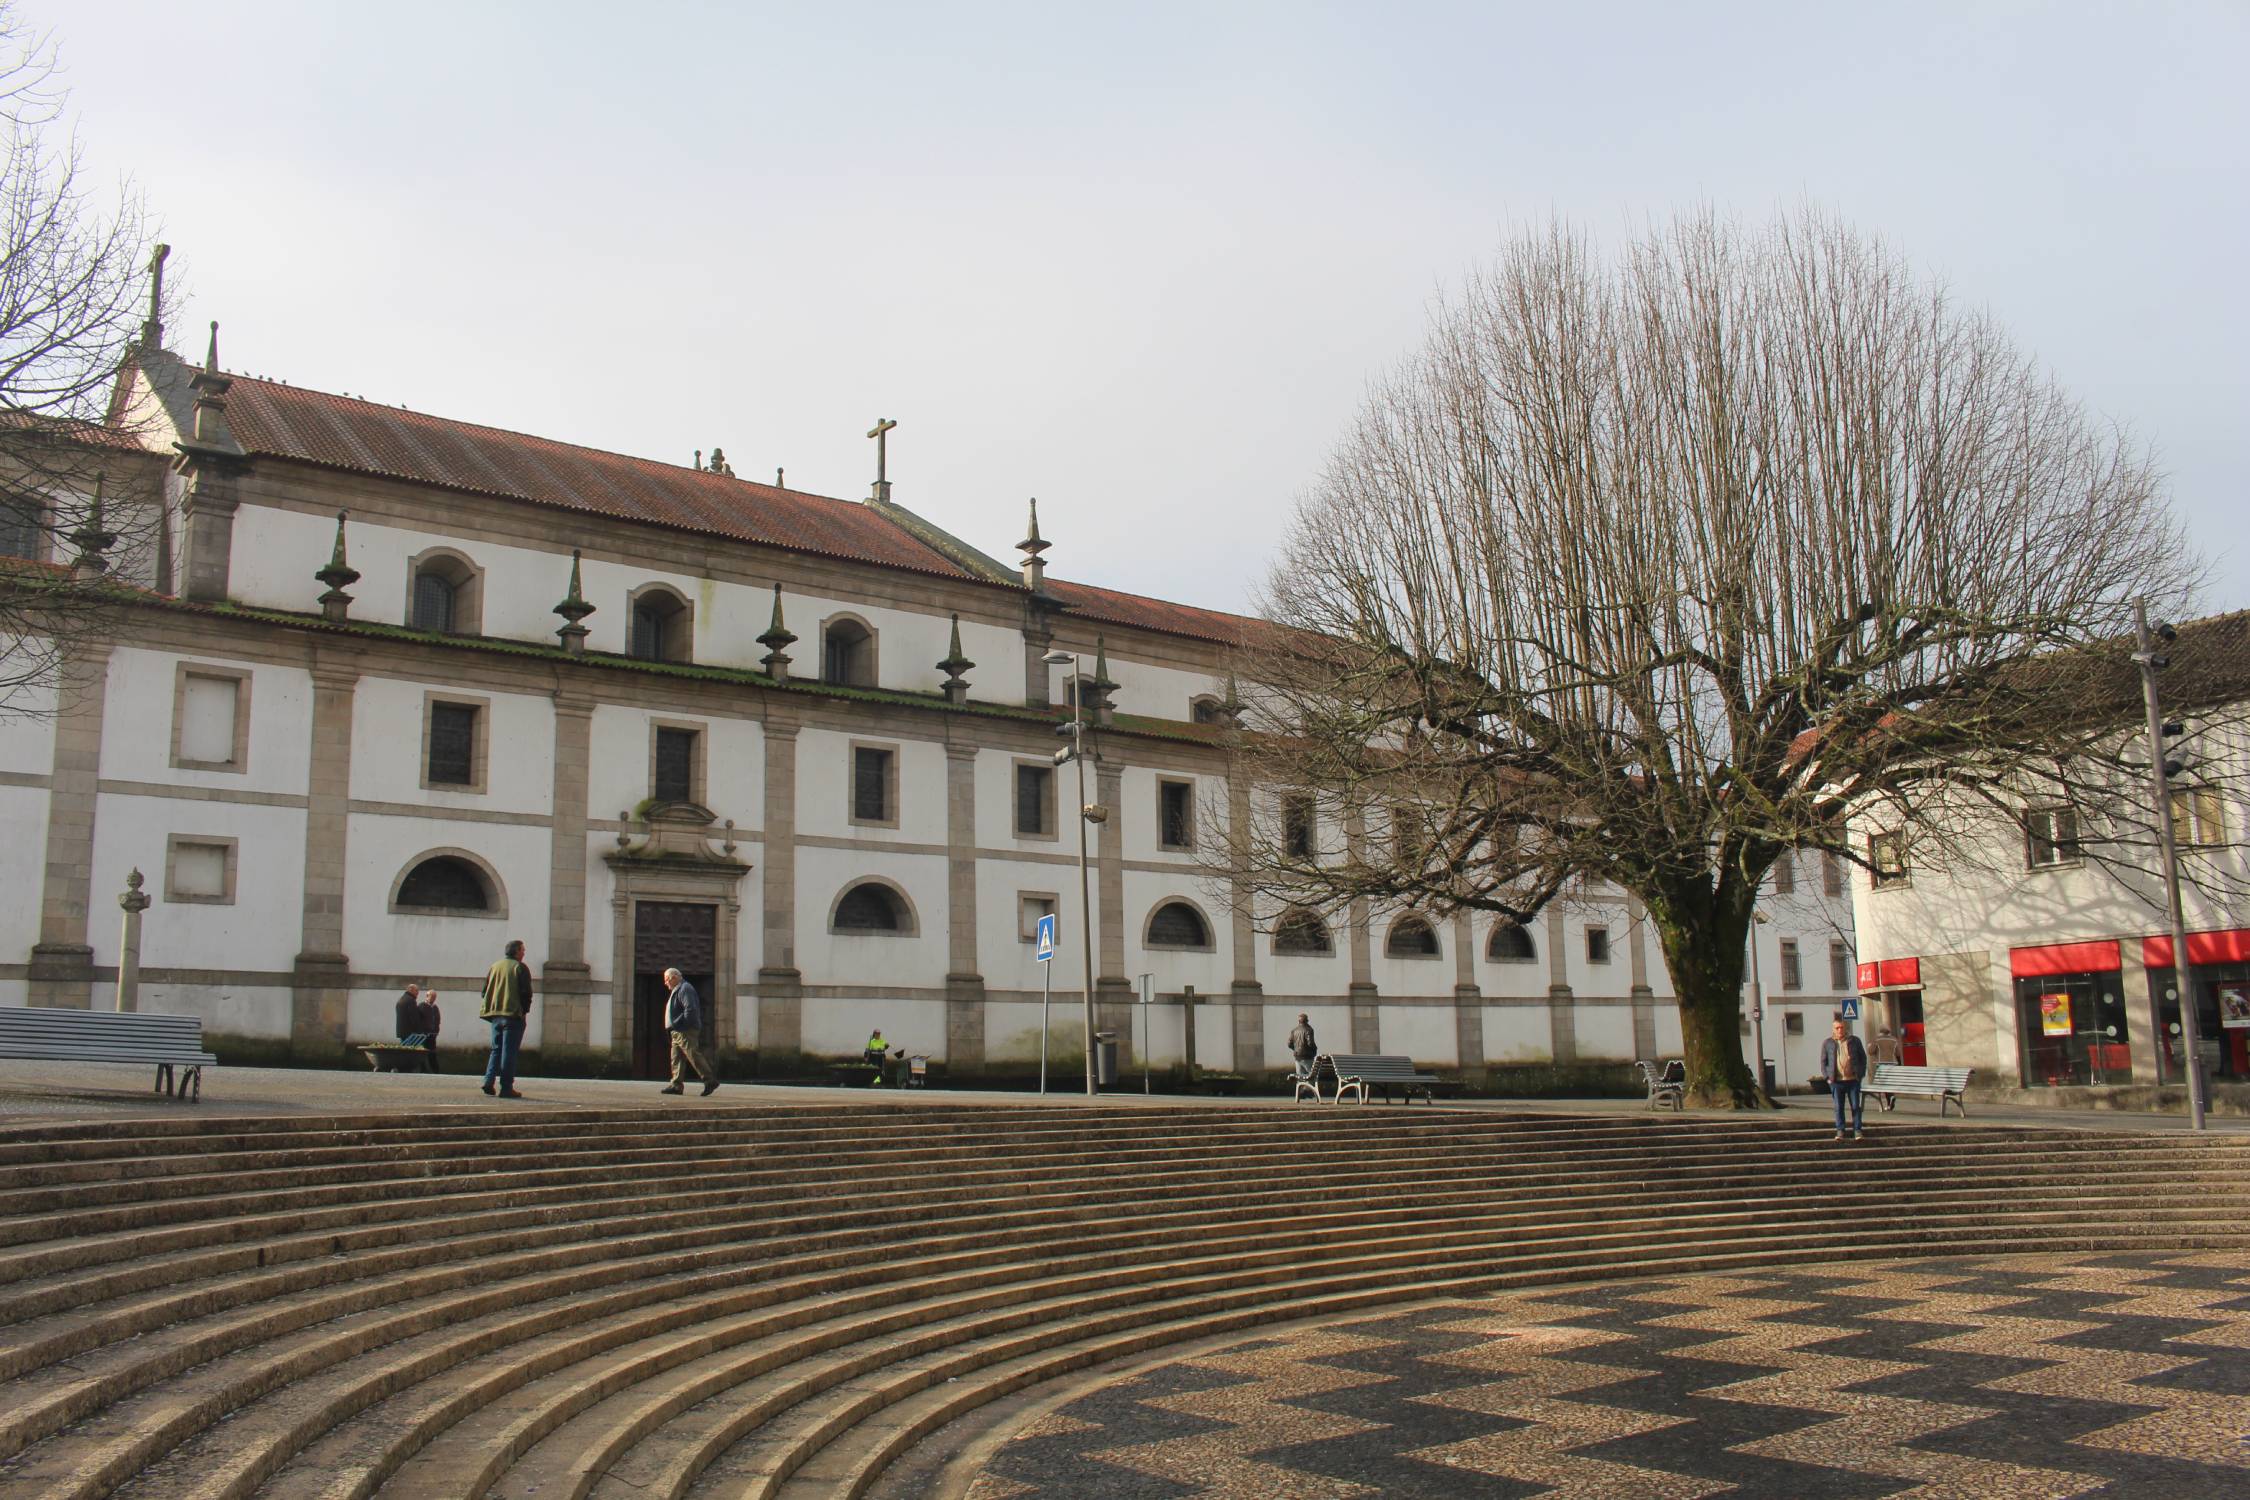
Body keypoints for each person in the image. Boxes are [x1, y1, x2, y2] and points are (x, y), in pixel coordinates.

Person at [479, 939, 534, 1099]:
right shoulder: (520, 967)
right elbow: (526, 993)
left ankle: (488, 1080)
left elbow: (484, 991)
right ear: (516, 951)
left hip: (496, 1014)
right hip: (513, 1015)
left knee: (496, 1049)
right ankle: (506, 1087)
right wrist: (524, 1011)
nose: (524, 953)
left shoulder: (495, 967)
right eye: (523, 950)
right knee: (509, 1052)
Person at [658, 967, 719, 1097]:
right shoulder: (678, 989)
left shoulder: (685, 988)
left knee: (692, 1054)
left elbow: (690, 1009)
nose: (665, 983)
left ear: (674, 977)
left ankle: (709, 1080)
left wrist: (679, 1024)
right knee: (676, 1057)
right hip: (677, 1031)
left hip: (684, 1029)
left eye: (666, 980)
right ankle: (676, 1084)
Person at [1822, 1017, 1868, 1141]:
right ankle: (1840, 1130)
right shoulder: (1828, 1043)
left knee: (1855, 1106)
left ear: (1845, 1028)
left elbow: (1863, 1058)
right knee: (1838, 1107)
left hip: (1853, 1080)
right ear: (1833, 1029)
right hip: (1836, 1081)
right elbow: (1823, 1062)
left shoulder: (1854, 1041)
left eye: (1842, 1027)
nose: (1840, 1030)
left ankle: (1857, 1130)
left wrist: (1861, 1074)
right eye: (1837, 1028)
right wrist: (1827, 1077)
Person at [1868, 1025, 1903, 1111]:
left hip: (1881, 1064)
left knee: (1884, 1084)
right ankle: (1890, 1101)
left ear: (1880, 1032)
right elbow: (1898, 1053)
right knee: (1889, 1083)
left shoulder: (1877, 1039)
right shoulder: (1894, 1039)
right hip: (1893, 1064)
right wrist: (1900, 1063)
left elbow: (1871, 1051)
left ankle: (1890, 1099)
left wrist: (1869, 1046)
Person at [1287, 1013, 1319, 1081]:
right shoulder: (1309, 1030)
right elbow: (1310, 1043)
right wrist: (1315, 1049)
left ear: (1299, 1021)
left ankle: (1301, 1090)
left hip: (1297, 1057)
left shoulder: (1294, 1030)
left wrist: (1295, 1049)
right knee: (1311, 1076)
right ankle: (1310, 1089)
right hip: (1307, 1056)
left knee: (1300, 1077)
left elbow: (1289, 1044)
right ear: (1307, 1021)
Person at [418, 988, 442, 1074]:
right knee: (422, 1053)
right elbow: (418, 1020)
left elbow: (438, 1020)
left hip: (433, 1035)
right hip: (424, 1035)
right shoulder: (421, 1006)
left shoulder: (435, 1008)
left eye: (434, 997)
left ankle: (435, 1071)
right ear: (427, 996)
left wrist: (436, 1031)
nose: (433, 999)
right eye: (432, 996)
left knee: (432, 1054)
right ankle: (422, 1070)